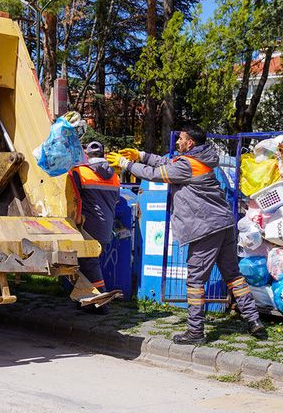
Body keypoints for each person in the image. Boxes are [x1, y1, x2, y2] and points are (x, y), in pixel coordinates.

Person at [107, 127, 266, 344]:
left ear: (190, 142)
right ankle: (254, 321)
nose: (178, 142)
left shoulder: (188, 165)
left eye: (181, 139)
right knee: (233, 276)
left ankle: (195, 331)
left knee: (195, 280)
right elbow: (168, 164)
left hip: (205, 228)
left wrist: (126, 165)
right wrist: (141, 155)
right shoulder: (198, 160)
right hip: (224, 224)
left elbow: (156, 174)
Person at [69, 141, 121, 314]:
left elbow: (72, 198)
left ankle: (101, 304)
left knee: (89, 263)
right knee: (88, 263)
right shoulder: (114, 176)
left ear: (87, 154)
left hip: (87, 225)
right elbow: (116, 200)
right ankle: (86, 300)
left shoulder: (80, 172)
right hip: (106, 225)